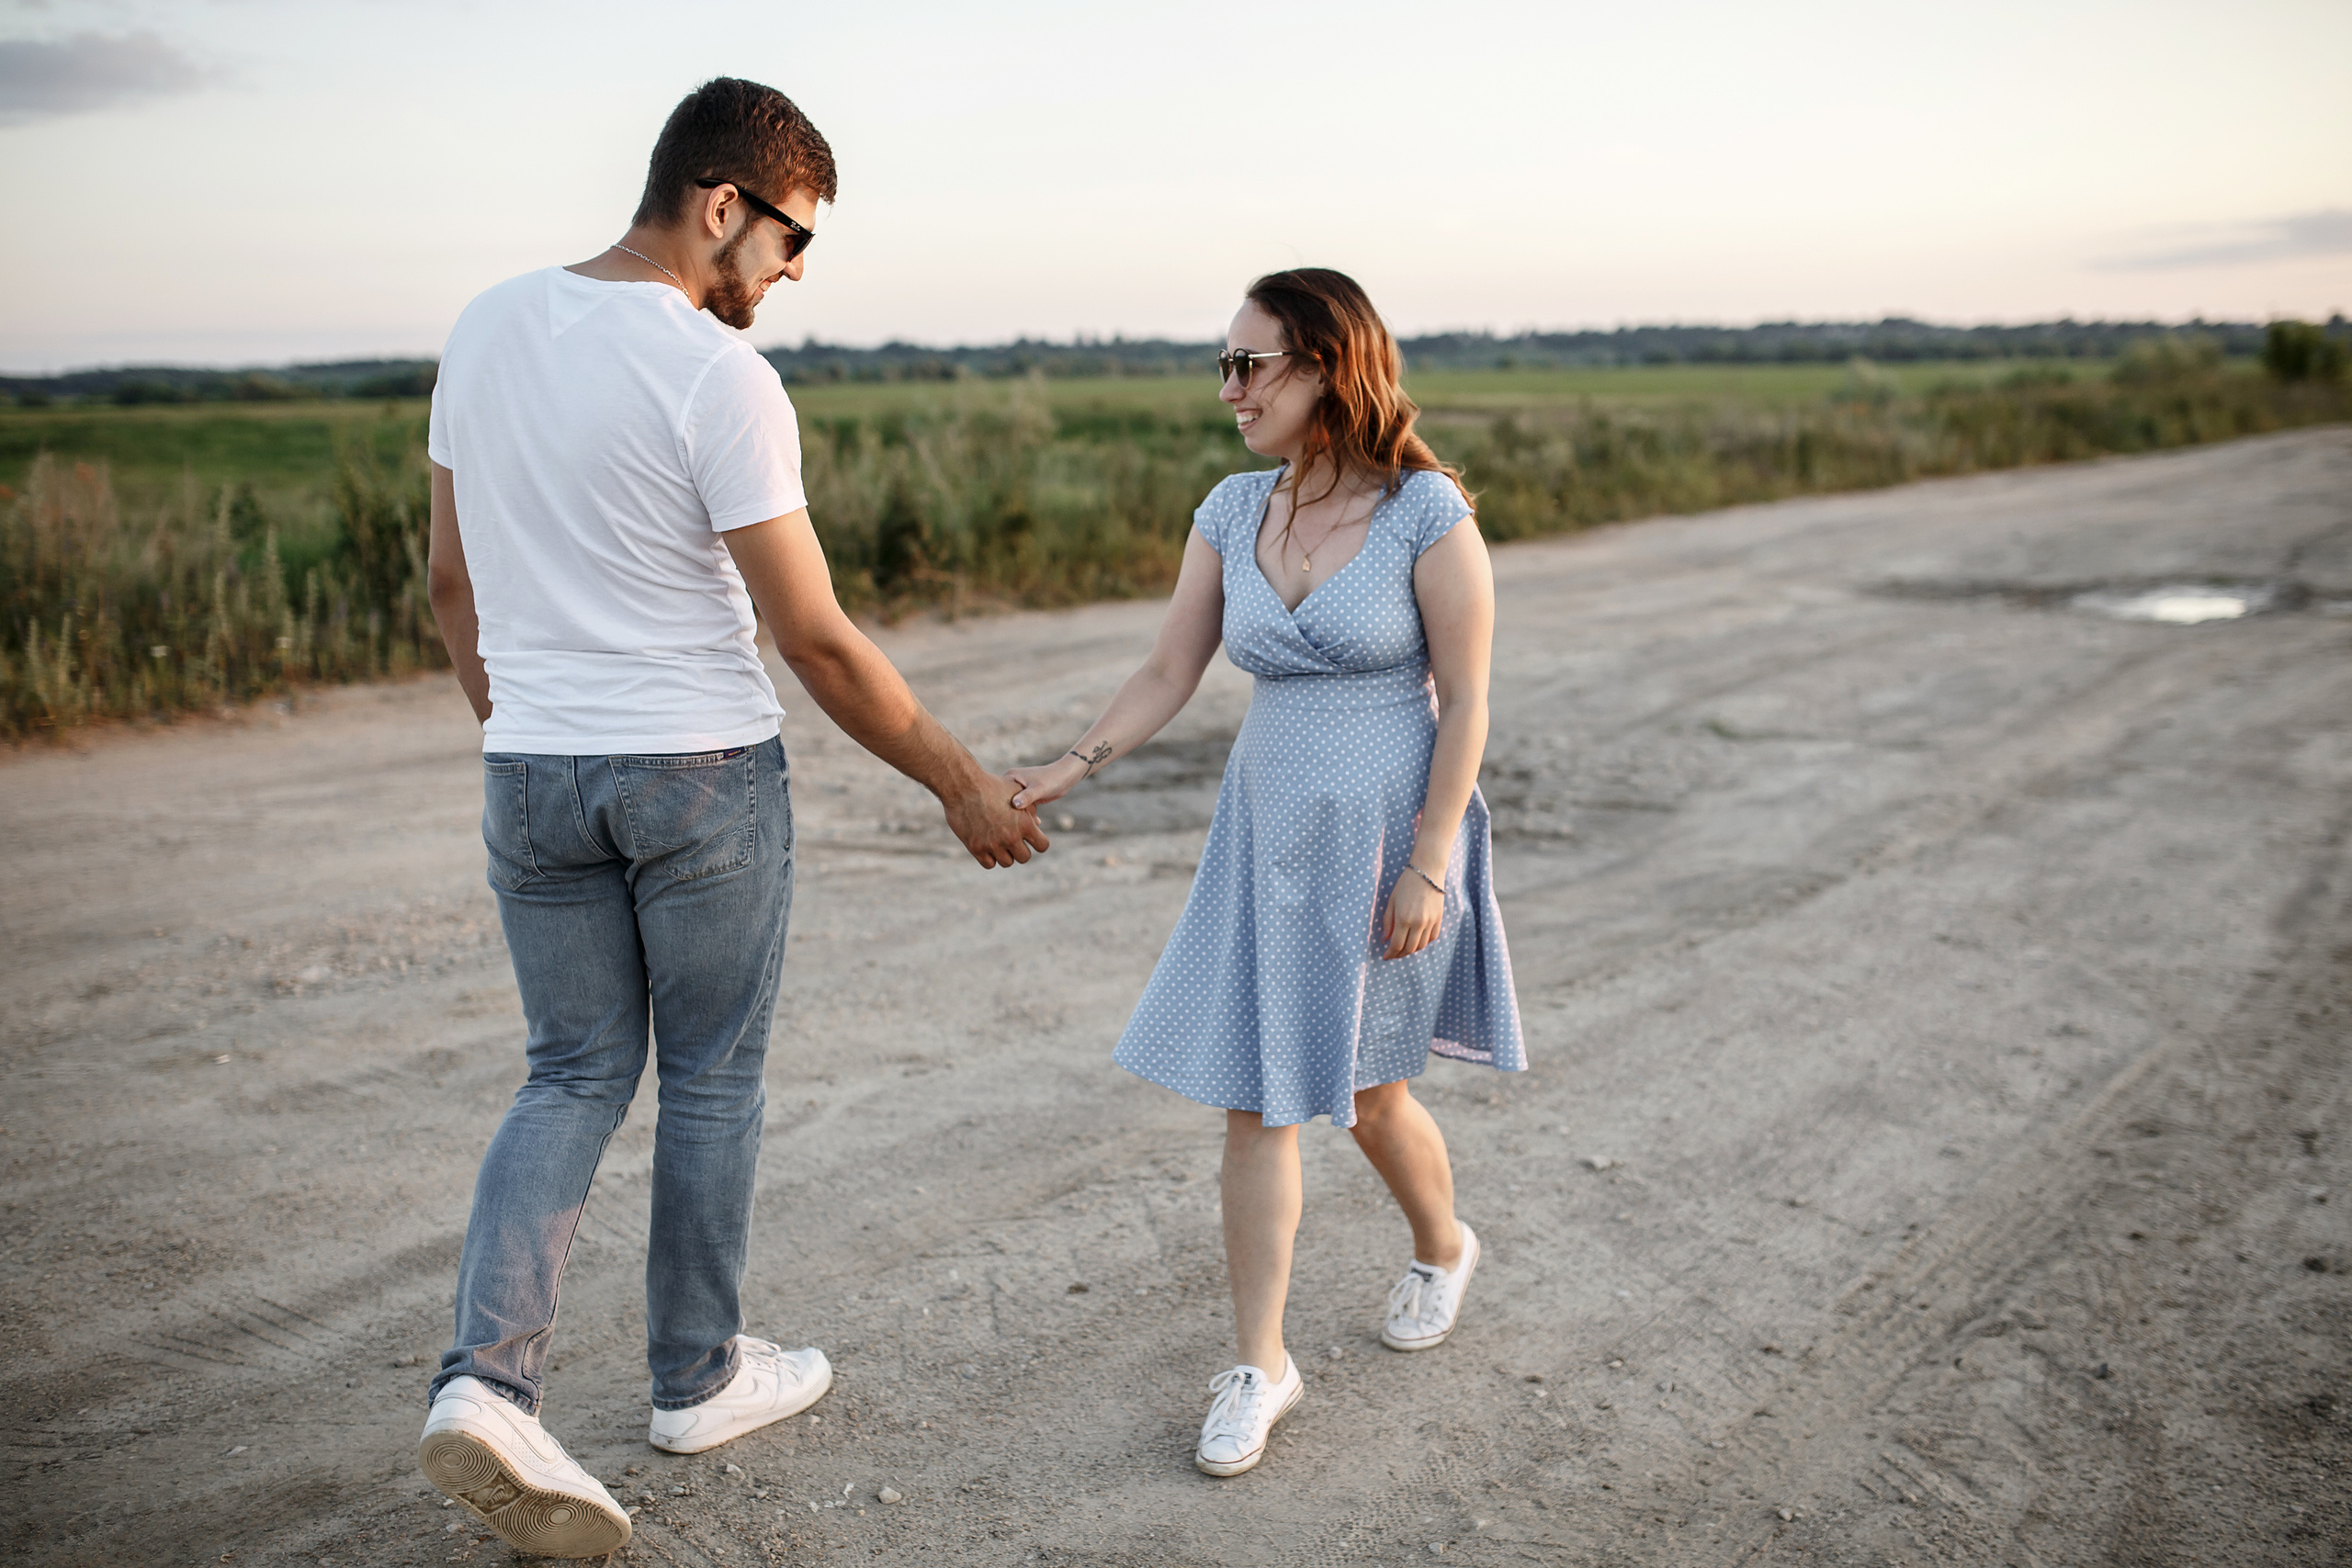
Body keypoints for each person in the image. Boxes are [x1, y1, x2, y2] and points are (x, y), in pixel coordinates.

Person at [416, 78, 1048, 1558]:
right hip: (698, 774)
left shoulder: (486, 326)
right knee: (708, 1079)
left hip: (532, 764)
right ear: (721, 206)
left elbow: (451, 585)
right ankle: (695, 1378)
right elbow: (816, 638)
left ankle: (484, 1384)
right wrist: (959, 778)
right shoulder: (716, 375)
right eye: (790, 235)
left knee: (569, 1073)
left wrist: (524, 739)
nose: (792, 271)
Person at [1007, 267, 1523, 1478]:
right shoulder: (1231, 509)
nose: (1231, 387)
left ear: (1330, 368)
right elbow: (1166, 671)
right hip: (1267, 831)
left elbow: (1470, 702)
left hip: (1391, 836)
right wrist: (1067, 765)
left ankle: (1444, 1245)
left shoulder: (1426, 512)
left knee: (1374, 1095)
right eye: (1224, 363)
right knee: (1260, 1097)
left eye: (1254, 364)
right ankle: (1261, 1363)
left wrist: (1431, 863)